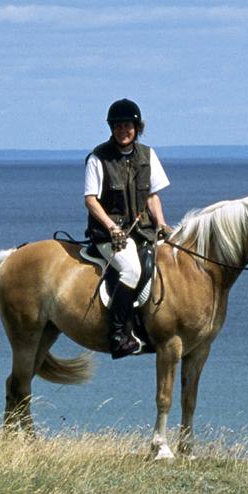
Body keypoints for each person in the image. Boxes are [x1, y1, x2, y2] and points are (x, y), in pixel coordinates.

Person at [83, 96, 170, 358]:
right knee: (131, 269)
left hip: (142, 230)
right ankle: (119, 334)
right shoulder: (99, 158)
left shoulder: (148, 155)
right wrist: (111, 227)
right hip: (110, 234)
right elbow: (90, 200)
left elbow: (152, 196)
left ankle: (153, 327)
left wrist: (162, 224)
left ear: (137, 128)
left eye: (128, 126)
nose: (123, 131)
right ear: (112, 128)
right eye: (118, 126)